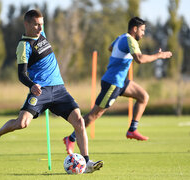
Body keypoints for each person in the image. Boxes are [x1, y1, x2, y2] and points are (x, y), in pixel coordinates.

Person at [0, 9, 103, 173]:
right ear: (27, 24)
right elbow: (21, 74)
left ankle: (87, 162)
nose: (40, 28)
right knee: (22, 123)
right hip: (40, 91)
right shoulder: (24, 46)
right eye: (36, 24)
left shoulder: (41, 34)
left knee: (79, 122)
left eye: (42, 24)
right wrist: (31, 85)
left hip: (59, 89)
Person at [63, 17, 172, 154]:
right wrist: (159, 56)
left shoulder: (121, 38)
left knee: (143, 96)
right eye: (142, 30)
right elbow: (139, 59)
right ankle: (71, 138)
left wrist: (119, 55)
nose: (143, 33)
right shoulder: (130, 40)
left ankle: (132, 129)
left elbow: (110, 47)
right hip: (112, 83)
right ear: (135, 29)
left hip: (120, 81)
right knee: (93, 115)